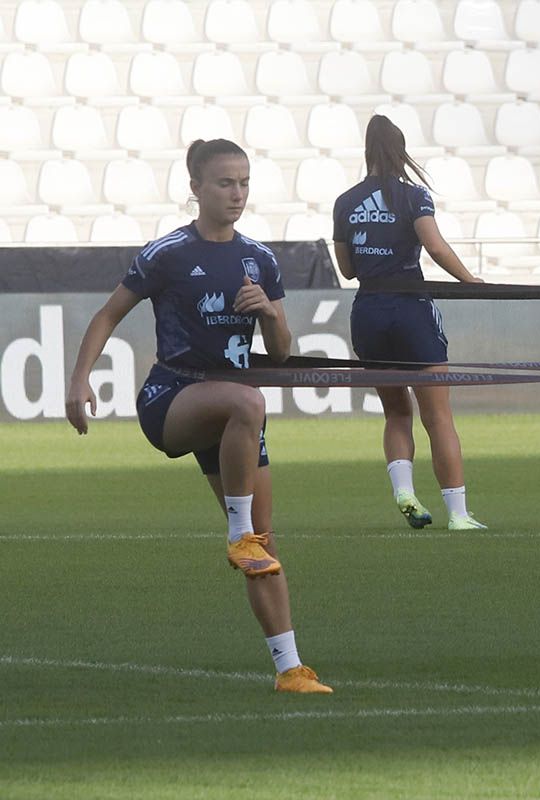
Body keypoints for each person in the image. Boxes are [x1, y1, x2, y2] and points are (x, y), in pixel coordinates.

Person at [65, 140, 331, 693]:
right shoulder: (168, 253)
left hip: (234, 423)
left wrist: (268, 314)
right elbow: (108, 314)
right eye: (224, 183)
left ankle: (289, 670)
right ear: (196, 188)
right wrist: (78, 380)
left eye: (244, 183)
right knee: (249, 403)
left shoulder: (259, 258)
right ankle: (238, 534)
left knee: (266, 545)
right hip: (173, 399)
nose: (237, 194)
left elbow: (281, 351)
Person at [332, 115, 486, 531]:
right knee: (437, 416)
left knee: (396, 412)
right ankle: (458, 514)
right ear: (401, 152)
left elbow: (346, 269)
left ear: (367, 152)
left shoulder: (345, 202)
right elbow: (434, 246)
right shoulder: (413, 197)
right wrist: (470, 281)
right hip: (412, 308)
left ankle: (404, 490)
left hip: (369, 310)